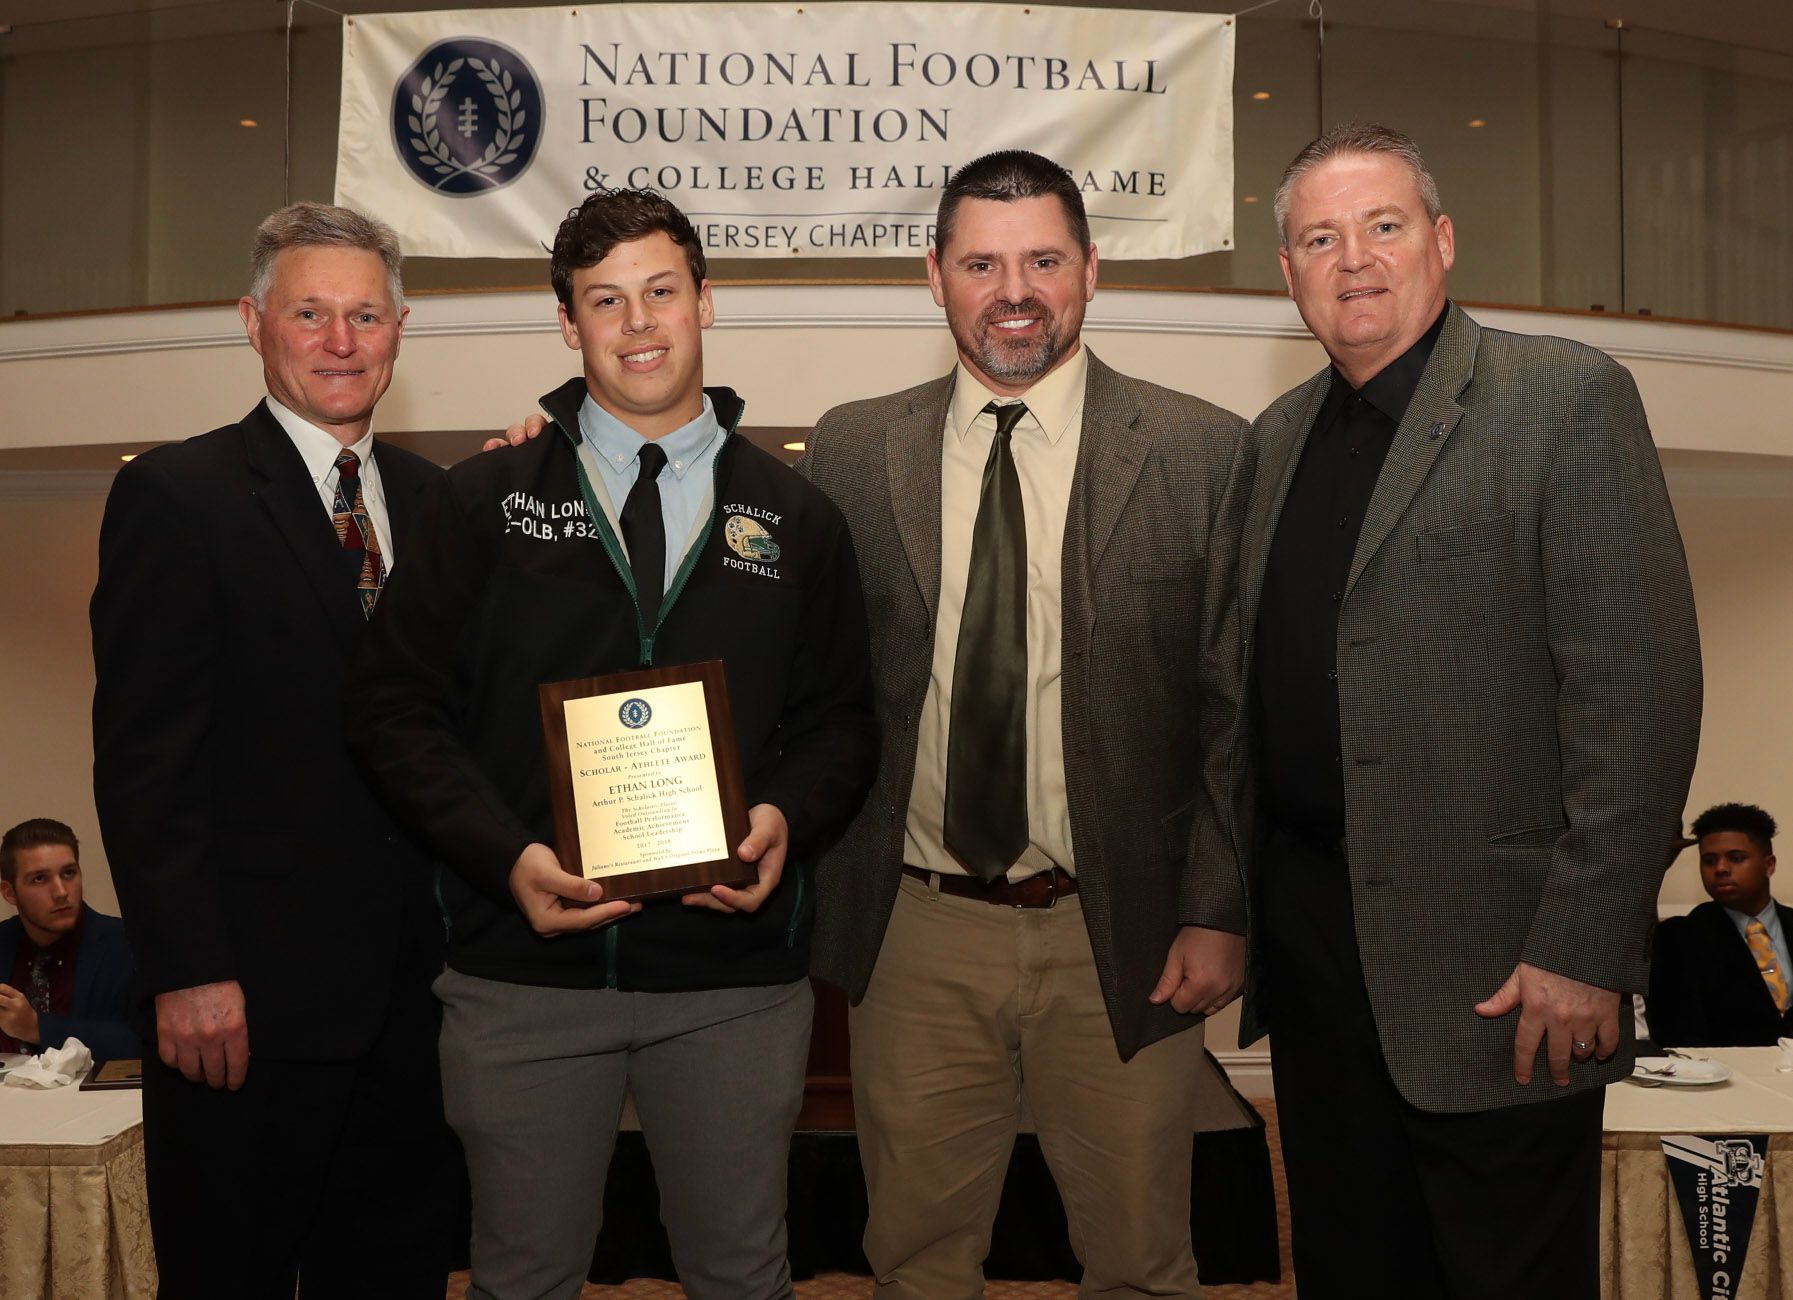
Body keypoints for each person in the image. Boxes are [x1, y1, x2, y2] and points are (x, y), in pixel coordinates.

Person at [343, 188, 878, 1300]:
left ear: (705, 302)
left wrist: (780, 819)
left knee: (741, 1272)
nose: (638, 325)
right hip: (518, 974)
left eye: (660, 292)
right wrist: (506, 860)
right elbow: (396, 712)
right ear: (567, 324)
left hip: (732, 982)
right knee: (524, 1276)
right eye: (605, 301)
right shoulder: (482, 501)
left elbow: (838, 722)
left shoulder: (795, 514)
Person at [1235, 122, 1703, 1298]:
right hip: (1315, 967)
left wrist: (1584, 944)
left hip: (1505, 974)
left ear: (1440, 241)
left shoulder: (1561, 397)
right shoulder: (1272, 442)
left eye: (1381, 226)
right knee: (1349, 1270)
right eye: (1318, 238)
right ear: (1286, 273)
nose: (1353, 260)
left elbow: (1636, 698)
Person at [800, 150, 1252, 1299]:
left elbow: (1233, 714)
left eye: (1042, 259)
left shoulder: (1201, 451)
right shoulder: (853, 448)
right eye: (981, 262)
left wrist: (1215, 907)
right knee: (913, 1260)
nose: (1014, 290)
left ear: (1090, 272)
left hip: (1127, 931)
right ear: (934, 278)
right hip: (916, 928)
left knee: (1142, 1258)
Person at [90, 203, 453, 1298]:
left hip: (420, 1005)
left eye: (364, 315)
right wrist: (190, 969)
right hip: (243, 1008)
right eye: (310, 313)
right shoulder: (176, 495)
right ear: (254, 322)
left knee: (392, 1276)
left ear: (398, 331)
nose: (340, 341)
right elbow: (147, 762)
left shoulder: (442, 507)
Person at [1650, 803, 1793, 1046]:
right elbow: (1676, 1035)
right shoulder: (1679, 938)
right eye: (1709, 860)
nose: (1721, 869)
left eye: (1736, 858)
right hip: (1724, 1077)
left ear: (1769, 865)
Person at [0, 818, 138, 1060]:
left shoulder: (126, 944)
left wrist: (37, 1028)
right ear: (10, 893)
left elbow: (144, 1042)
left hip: (96, 1097)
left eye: (69, 873)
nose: (62, 892)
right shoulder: (3, 943)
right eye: (39, 879)